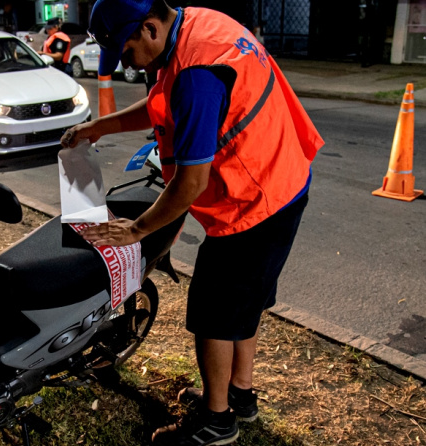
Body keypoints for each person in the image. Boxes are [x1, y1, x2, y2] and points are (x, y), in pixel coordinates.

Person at [61, 1, 324, 444]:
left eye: (125, 53)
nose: (124, 64)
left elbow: (190, 185)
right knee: (244, 305)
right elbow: (162, 102)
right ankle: (240, 395)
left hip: (254, 205)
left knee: (213, 316)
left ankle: (215, 421)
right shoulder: (197, 24)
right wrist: (99, 127)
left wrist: (137, 229)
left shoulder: (196, 77)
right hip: (283, 180)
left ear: (149, 28)